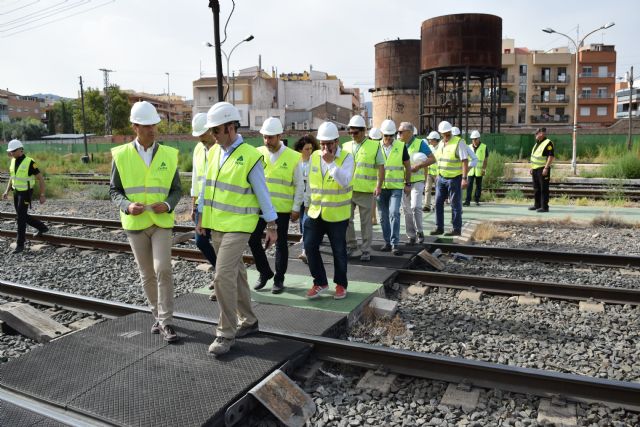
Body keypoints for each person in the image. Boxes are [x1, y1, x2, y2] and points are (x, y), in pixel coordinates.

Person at [196, 102, 278, 356]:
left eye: (217, 130)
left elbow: (262, 193)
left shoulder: (251, 156)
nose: (213, 135)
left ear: (231, 127)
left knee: (221, 276)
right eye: (212, 131)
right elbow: (206, 187)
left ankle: (225, 333)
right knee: (238, 274)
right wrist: (200, 215)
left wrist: (272, 224)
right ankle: (250, 321)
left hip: (240, 226)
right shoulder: (213, 153)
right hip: (217, 225)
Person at [109, 101, 182, 343]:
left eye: (154, 125)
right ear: (135, 127)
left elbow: (176, 189)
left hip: (161, 222)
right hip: (135, 225)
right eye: (146, 125)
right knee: (147, 274)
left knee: (163, 269)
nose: (152, 129)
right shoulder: (120, 156)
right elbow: (114, 191)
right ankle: (157, 316)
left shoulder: (169, 155)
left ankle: (167, 321)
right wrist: (127, 206)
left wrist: (169, 204)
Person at [250, 117, 303, 294]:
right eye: (265, 137)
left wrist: (296, 207)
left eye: (271, 137)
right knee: (252, 239)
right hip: (258, 208)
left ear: (280, 136)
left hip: (281, 209)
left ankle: (279, 280)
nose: (267, 141)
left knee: (281, 244)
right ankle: (265, 272)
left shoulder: (294, 157)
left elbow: (299, 185)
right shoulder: (256, 153)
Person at [304, 121, 354, 300]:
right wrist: (306, 203)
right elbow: (310, 183)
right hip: (315, 212)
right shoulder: (314, 156)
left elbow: (345, 181)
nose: (325, 147)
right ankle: (320, 282)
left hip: (337, 215)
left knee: (339, 251)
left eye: (329, 143)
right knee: (309, 247)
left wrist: (332, 163)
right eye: (323, 143)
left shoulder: (347, 158)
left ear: (337, 142)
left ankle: (341, 284)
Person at [342, 115, 384, 262]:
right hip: (348, 190)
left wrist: (379, 186)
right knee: (347, 220)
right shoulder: (346, 146)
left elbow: (381, 166)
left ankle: (366, 250)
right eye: (350, 132)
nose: (353, 135)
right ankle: (351, 246)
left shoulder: (374, 146)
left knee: (366, 222)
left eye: (356, 132)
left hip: (366, 190)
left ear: (364, 131)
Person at [2, 139, 48, 254]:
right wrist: (6, 191)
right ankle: (42, 227)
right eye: (10, 151)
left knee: (20, 218)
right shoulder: (13, 161)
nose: (11, 153)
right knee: (21, 215)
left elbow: (41, 179)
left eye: (13, 151)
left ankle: (20, 245)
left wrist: (42, 194)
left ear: (20, 150)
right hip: (17, 192)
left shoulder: (30, 162)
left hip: (26, 193)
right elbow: (12, 178)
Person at [190, 113, 218, 301]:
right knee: (200, 241)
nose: (200, 138)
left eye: (202, 133)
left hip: (218, 204)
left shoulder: (221, 148)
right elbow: (196, 178)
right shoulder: (199, 149)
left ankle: (221, 281)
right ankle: (219, 273)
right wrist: (193, 205)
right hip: (202, 204)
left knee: (218, 243)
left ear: (210, 129)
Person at [376, 120, 411, 255]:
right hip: (381, 188)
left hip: (396, 187)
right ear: (381, 134)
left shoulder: (401, 146)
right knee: (383, 217)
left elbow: (407, 166)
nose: (389, 138)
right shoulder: (376, 146)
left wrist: (408, 183)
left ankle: (395, 243)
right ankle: (387, 242)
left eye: (391, 135)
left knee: (394, 213)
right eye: (386, 135)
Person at [398, 122, 435, 244]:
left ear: (409, 132)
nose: (398, 134)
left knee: (416, 207)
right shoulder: (398, 144)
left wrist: (419, 165)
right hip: (403, 182)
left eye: (400, 132)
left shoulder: (420, 143)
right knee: (406, 210)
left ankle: (420, 231)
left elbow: (432, 158)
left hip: (417, 180)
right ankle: (411, 236)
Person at [431, 121, 469, 236]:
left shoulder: (459, 142)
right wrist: (438, 175)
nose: (446, 136)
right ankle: (439, 227)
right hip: (441, 178)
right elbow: (439, 160)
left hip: (454, 179)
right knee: (438, 203)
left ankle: (456, 229)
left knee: (455, 204)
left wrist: (464, 178)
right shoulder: (441, 143)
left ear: (450, 131)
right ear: (441, 133)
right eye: (444, 134)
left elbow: (464, 161)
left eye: (448, 133)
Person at [293, 134, 319, 264]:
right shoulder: (296, 162)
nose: (309, 151)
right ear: (300, 150)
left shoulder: (314, 162)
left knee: (306, 223)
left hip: (311, 198)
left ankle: (305, 251)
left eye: (311, 148)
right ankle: (306, 241)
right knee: (302, 223)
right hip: (300, 197)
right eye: (306, 149)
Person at [529, 127, 554, 212]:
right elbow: (535, 157)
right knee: (536, 188)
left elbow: (551, 156)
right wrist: (532, 167)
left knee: (544, 188)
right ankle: (537, 205)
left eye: (536, 133)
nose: (535, 135)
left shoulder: (548, 143)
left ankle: (544, 207)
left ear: (542, 134)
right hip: (535, 169)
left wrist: (546, 168)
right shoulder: (537, 143)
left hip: (543, 169)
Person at [464, 130, 488, 207]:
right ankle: (467, 201)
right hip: (470, 170)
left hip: (479, 170)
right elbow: (466, 159)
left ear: (478, 138)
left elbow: (485, 159)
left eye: (475, 139)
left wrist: (484, 169)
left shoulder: (484, 147)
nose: (473, 140)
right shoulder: (469, 147)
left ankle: (477, 200)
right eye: (472, 139)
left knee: (478, 186)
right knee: (469, 186)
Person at [422, 131, 441, 212]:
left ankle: (437, 205)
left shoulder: (441, 148)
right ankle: (427, 205)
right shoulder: (429, 147)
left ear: (435, 140)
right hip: (429, 172)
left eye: (430, 139)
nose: (429, 141)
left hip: (438, 173)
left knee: (438, 190)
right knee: (427, 188)